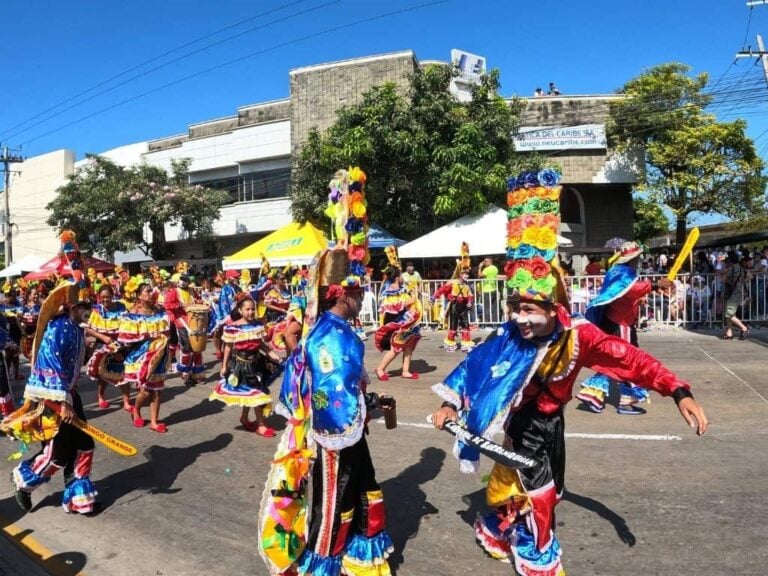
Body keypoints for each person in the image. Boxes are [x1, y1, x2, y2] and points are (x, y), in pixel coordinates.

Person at [430, 169, 707, 576]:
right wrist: (447, 405)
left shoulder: (580, 336)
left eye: (529, 310)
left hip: (551, 425)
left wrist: (678, 391)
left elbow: (632, 360)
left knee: (547, 490)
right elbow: (473, 365)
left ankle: (505, 527)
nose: (519, 319)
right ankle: (540, 556)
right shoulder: (509, 334)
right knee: (540, 491)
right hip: (521, 424)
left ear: (551, 305)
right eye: (515, 308)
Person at [259, 248, 393, 575]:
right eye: (359, 293)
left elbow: (348, 386)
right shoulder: (328, 336)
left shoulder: (339, 329)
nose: (364, 299)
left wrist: (370, 403)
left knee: (363, 489)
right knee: (335, 504)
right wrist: (363, 410)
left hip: (349, 431)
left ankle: (357, 559)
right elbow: (331, 392)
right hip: (333, 435)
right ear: (343, 295)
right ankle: (322, 567)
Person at [9, 295, 98, 515]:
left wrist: (89, 348)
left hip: (70, 396)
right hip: (53, 399)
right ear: (73, 306)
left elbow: (73, 363)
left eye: (90, 305)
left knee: (84, 446)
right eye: (85, 305)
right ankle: (25, 482)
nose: (89, 309)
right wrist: (62, 402)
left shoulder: (76, 327)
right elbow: (48, 365)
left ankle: (78, 498)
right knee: (57, 454)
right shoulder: (58, 328)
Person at [576, 241, 670, 415]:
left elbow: (621, 295)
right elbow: (629, 289)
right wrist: (655, 285)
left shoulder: (616, 271)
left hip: (616, 321)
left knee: (613, 360)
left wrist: (637, 300)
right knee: (627, 361)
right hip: (621, 324)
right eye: (638, 257)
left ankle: (592, 394)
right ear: (633, 258)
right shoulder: (624, 273)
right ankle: (624, 401)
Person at [211, 293, 279, 436]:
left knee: (250, 392)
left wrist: (271, 354)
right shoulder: (233, 328)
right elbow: (228, 347)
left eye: (253, 309)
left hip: (257, 363)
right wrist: (224, 366)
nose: (251, 312)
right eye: (247, 309)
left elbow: (261, 344)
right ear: (240, 311)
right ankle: (261, 425)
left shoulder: (258, 325)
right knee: (256, 393)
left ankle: (244, 417)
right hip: (241, 365)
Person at [120, 283, 170, 433]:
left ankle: (154, 421)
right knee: (146, 391)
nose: (151, 293)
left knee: (158, 389)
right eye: (147, 291)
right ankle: (136, 410)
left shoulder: (159, 311)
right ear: (139, 295)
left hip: (159, 352)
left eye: (151, 290)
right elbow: (126, 336)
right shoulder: (134, 312)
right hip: (141, 354)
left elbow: (167, 329)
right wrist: (147, 335)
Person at [85, 284, 130, 411]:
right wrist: (104, 338)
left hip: (120, 343)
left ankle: (126, 401)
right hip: (103, 344)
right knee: (103, 374)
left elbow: (128, 323)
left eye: (108, 297)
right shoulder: (95, 310)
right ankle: (100, 395)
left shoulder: (121, 307)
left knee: (124, 372)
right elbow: (87, 328)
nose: (105, 300)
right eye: (103, 297)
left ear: (113, 296)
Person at [374, 266, 422, 380]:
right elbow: (394, 306)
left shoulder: (402, 288)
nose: (402, 277)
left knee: (409, 345)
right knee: (396, 347)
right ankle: (380, 368)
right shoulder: (390, 290)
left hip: (406, 321)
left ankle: (405, 371)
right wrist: (411, 300)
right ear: (396, 277)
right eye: (400, 275)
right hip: (396, 322)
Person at [164, 274, 205, 385]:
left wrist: (199, 302)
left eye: (186, 281)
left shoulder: (192, 290)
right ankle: (186, 373)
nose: (183, 283)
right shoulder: (174, 292)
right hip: (181, 321)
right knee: (186, 347)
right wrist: (180, 305)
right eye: (182, 281)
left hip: (194, 321)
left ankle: (197, 372)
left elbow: (198, 300)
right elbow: (167, 305)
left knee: (197, 347)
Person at [432, 267, 475, 352]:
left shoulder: (467, 285)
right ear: (460, 275)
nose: (466, 276)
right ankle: (450, 343)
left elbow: (470, 295)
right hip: (454, 305)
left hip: (463, 306)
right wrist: (434, 296)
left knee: (465, 324)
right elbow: (443, 289)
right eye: (464, 274)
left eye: (467, 274)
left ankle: (465, 343)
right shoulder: (453, 282)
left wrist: (469, 302)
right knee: (453, 324)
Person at [213, 269, 242, 361]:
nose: (238, 278)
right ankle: (222, 353)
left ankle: (231, 354)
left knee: (233, 336)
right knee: (223, 335)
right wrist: (226, 318)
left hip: (237, 314)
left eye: (238, 276)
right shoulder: (225, 289)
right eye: (236, 276)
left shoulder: (238, 288)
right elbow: (223, 303)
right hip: (226, 315)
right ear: (229, 278)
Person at [721, 251, 750, 340]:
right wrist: (742, 282)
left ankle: (744, 328)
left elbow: (724, 280)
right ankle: (729, 333)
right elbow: (750, 276)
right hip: (740, 292)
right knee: (729, 313)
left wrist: (724, 273)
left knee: (729, 314)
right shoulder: (742, 268)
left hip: (732, 293)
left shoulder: (730, 269)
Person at [478, 257, 500, 325]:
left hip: (487, 290)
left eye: (485, 261)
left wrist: (479, 267)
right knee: (494, 307)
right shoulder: (495, 268)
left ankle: (486, 323)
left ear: (490, 262)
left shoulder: (487, 269)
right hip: (494, 289)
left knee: (486, 307)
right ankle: (495, 323)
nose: (484, 263)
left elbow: (479, 275)